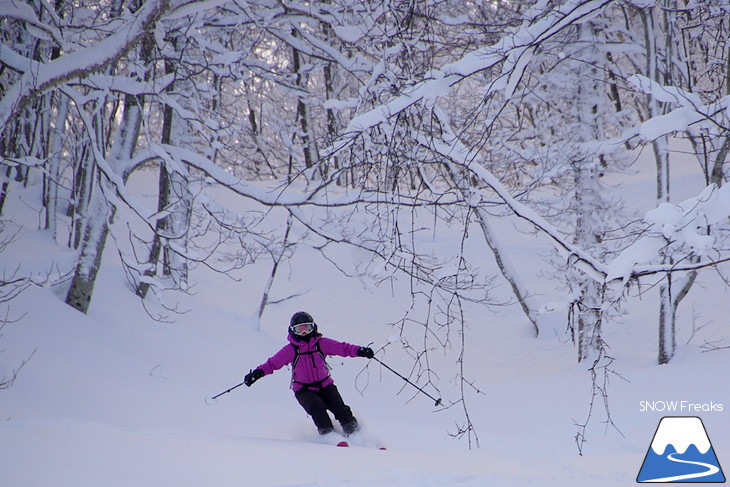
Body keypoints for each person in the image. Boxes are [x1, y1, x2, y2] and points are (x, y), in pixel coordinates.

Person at [244, 311, 374, 436]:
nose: (304, 332)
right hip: (304, 390)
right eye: (300, 329)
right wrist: (257, 373)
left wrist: (360, 351)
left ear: (313, 328)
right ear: (293, 331)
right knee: (318, 409)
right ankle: (329, 435)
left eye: (307, 328)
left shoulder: (321, 343)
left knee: (341, 409)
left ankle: (356, 435)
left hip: (325, 386)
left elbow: (343, 348)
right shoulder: (291, 350)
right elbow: (272, 364)